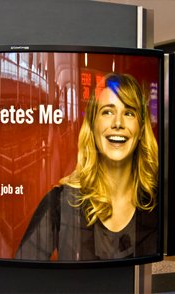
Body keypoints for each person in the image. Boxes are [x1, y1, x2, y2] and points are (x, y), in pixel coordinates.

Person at [15, 73, 159, 261]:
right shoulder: (59, 203)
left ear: (141, 129)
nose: (118, 123)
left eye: (129, 112)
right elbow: (22, 280)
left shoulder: (159, 202)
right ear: (92, 125)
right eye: (107, 111)